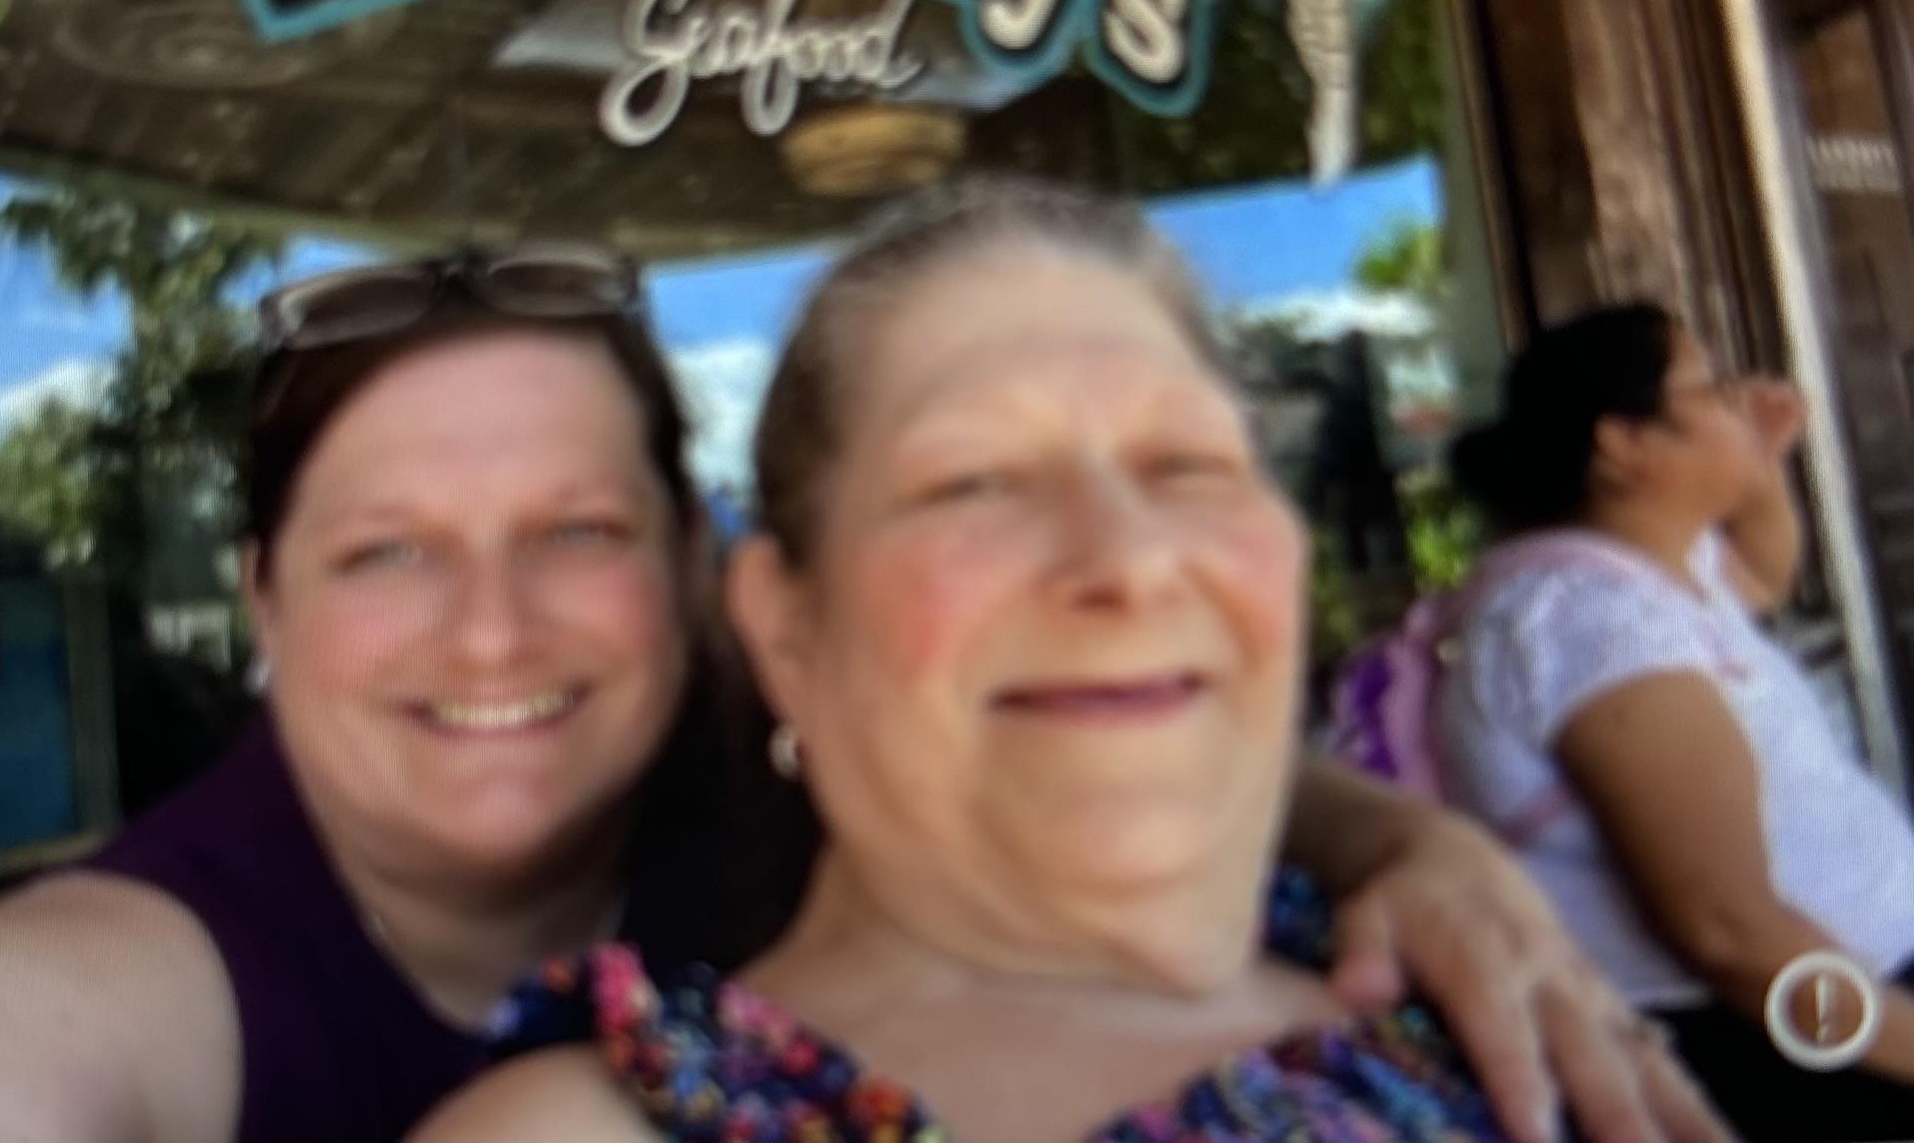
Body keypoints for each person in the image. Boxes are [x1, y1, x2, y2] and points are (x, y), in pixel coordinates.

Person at [411, 182, 1726, 1143]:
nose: (1131, 555)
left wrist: (1409, 846)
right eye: (972, 479)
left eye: (1191, 465)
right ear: (785, 622)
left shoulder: (1497, 1003)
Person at [1435, 302, 1914, 1138]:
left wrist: (1752, 464)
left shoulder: (1653, 566)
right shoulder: (1592, 624)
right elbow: (1731, 938)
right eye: (1706, 385)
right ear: (1623, 441)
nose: (1738, 395)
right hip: (1795, 1056)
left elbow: (1761, 576)